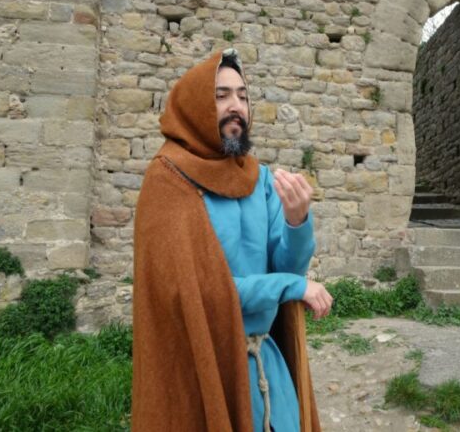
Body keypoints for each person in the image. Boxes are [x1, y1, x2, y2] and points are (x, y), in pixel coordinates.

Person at [132, 48, 332, 432]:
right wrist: (292, 285)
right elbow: (202, 293)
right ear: (195, 106)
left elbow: (288, 269)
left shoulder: (260, 179)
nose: (235, 105)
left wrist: (296, 221)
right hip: (202, 366)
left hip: (266, 370)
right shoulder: (168, 181)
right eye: (221, 96)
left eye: (242, 95)